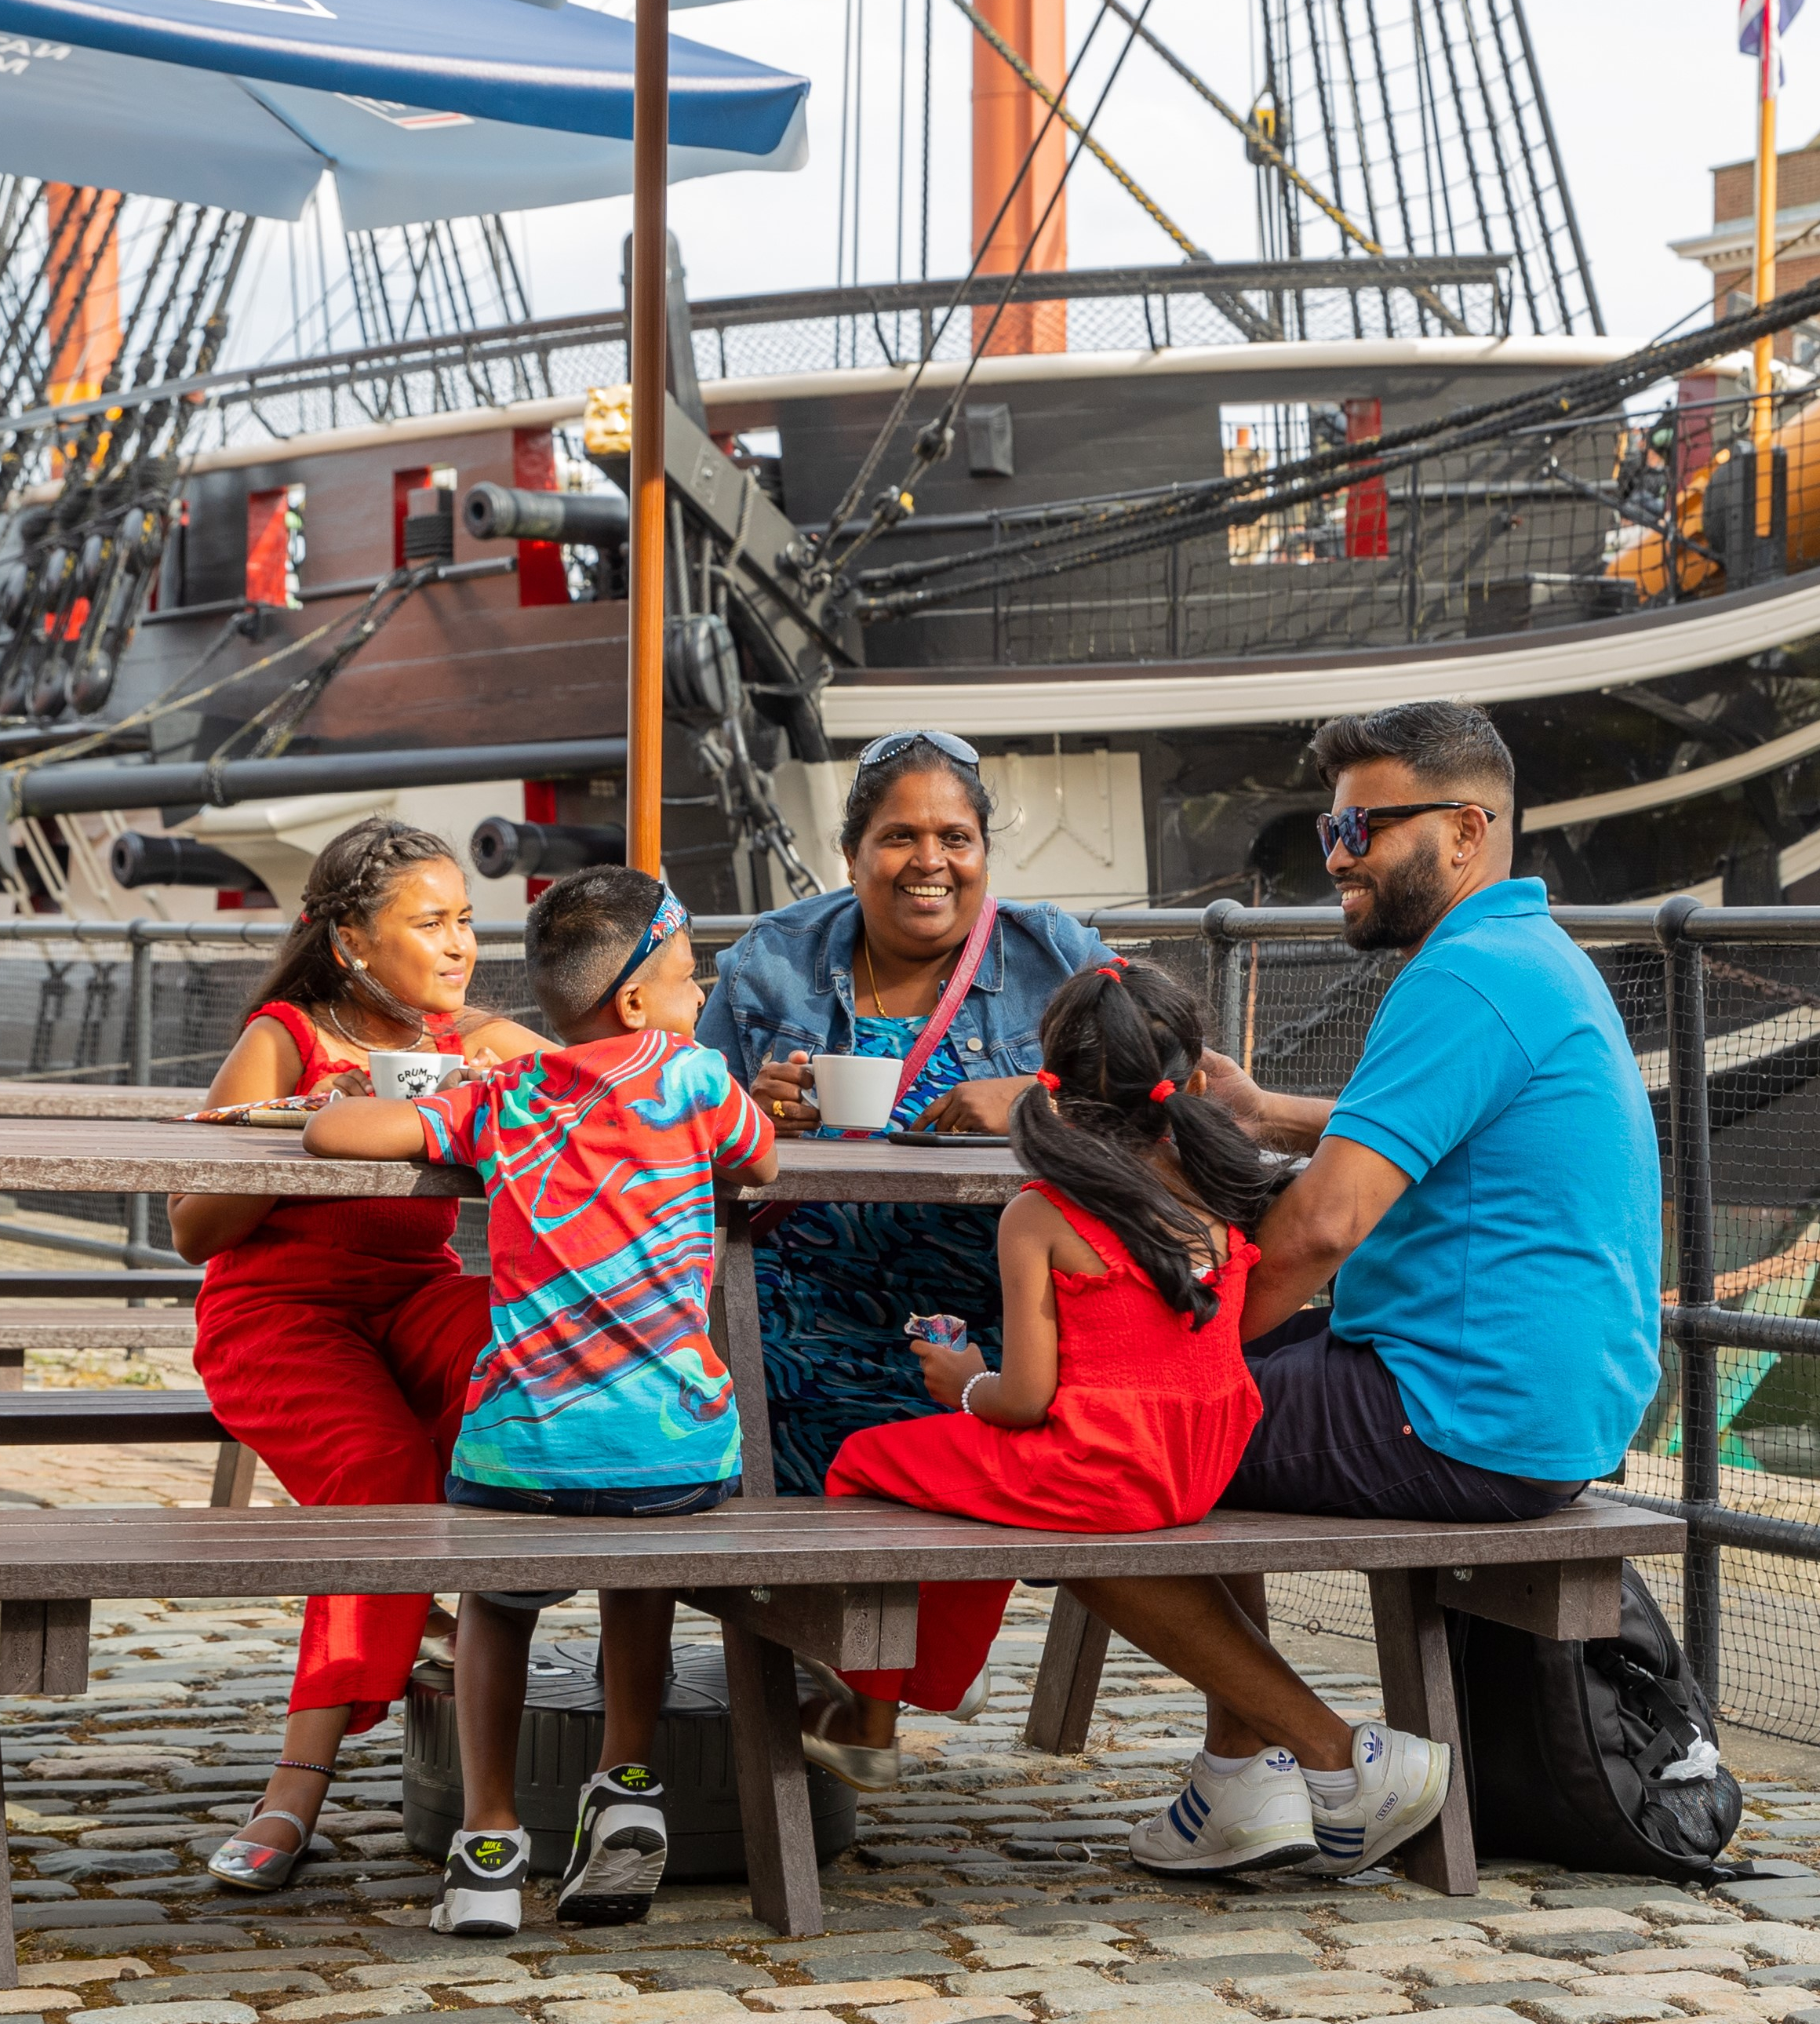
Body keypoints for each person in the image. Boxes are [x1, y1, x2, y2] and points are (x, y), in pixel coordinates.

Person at [799, 959, 1451, 1880]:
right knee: (970, 1489)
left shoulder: (1039, 1213)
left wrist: (964, 1383)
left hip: (1096, 1467)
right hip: (1200, 1461)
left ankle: (880, 1709)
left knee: (866, 1462)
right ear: (1187, 1084)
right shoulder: (1227, 1196)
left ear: (1052, 1090)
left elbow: (1025, 1402)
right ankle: (930, 1679)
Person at [1140, 701, 1654, 1849]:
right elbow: (1444, 1121)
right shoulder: (1524, 957)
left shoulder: (1461, 979)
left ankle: (1313, 1763)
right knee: (1167, 1399)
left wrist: (1189, 1366)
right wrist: (1272, 1112)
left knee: (1101, 1436)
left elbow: (1322, 1228)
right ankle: (1243, 1773)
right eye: (1331, 829)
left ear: (1466, 831)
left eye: (1364, 829)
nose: (1339, 856)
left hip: (1456, 1414)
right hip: (1535, 1403)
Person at [303, 865, 776, 1937]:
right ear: (636, 1003)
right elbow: (763, 1156)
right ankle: (626, 1780)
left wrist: (358, 1100)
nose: (699, 999)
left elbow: (331, 1141)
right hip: (676, 1457)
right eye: (689, 980)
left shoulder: (502, 1100)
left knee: (495, 1604)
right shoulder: (696, 1079)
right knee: (636, 1576)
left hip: (523, 1458)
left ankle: (485, 1836)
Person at [174, 818, 551, 1892]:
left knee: (522, 1368)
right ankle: (297, 1782)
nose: (460, 946)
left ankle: (472, 1636)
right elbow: (192, 1230)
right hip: (275, 1313)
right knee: (382, 1473)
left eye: (467, 921)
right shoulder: (288, 1036)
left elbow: (608, 1092)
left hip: (415, 1297)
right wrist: (309, 1126)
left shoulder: (476, 1039)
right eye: (429, 923)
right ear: (350, 942)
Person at [694, 730, 1115, 1494]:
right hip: (794, 1328)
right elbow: (675, 1135)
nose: (930, 861)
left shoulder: (1055, 954)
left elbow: (1179, 1084)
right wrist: (741, 1116)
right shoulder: (770, 961)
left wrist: (1035, 1097)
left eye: (955, 838)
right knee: (784, 1567)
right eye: (898, 838)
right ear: (850, 856)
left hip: (1005, 1339)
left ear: (985, 854)